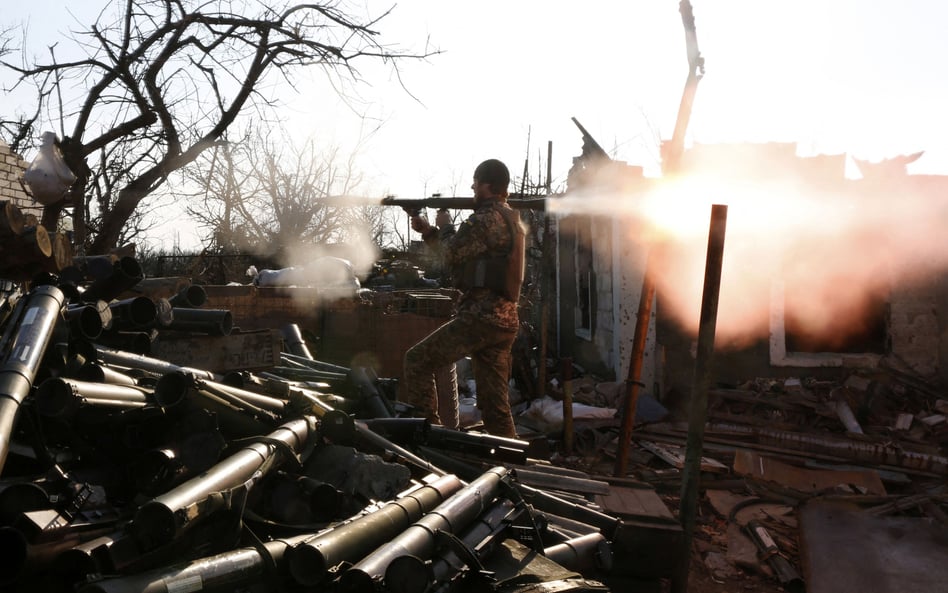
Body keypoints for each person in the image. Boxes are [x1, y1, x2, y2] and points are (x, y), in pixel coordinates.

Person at [401, 158, 526, 437]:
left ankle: (428, 437)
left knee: (417, 361)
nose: (472, 187)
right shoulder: (511, 219)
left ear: (487, 185)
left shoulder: (484, 219)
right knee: (494, 404)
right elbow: (462, 254)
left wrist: (443, 227)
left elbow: (451, 254)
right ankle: (508, 459)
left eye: (476, 182)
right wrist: (430, 232)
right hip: (503, 320)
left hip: (480, 318)